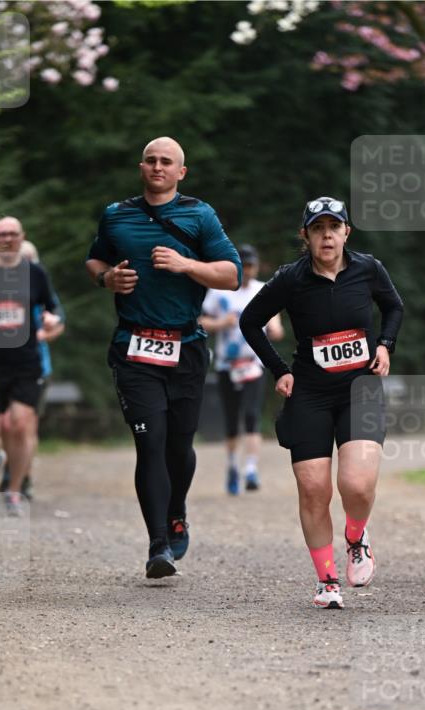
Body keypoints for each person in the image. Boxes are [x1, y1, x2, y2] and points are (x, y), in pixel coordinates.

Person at [86, 136, 242, 578]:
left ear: (180, 172)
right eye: (151, 160)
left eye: (166, 162)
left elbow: (231, 275)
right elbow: (95, 261)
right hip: (133, 348)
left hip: (185, 347)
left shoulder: (199, 215)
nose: (158, 167)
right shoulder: (117, 215)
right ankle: (159, 545)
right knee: (150, 442)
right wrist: (107, 279)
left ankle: (176, 511)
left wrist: (186, 265)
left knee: (178, 446)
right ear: (141, 167)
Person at [239, 197, 403, 609]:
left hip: (360, 390)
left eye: (334, 227)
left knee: (357, 485)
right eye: (318, 229)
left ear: (347, 232)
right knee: (314, 490)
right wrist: (279, 370)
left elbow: (394, 307)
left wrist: (385, 345)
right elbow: (249, 321)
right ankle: (327, 580)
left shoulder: (368, 269)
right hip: (309, 393)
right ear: (306, 235)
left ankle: (356, 536)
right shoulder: (290, 279)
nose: (326, 236)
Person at [0, 217, 63, 516]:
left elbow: (52, 307)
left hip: (25, 362)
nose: (7, 239)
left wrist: (51, 319)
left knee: (19, 425)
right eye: (1, 234)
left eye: (13, 234)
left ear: (22, 237)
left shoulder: (35, 273)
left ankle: (14, 490)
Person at [200, 244, 284, 494]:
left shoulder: (263, 289)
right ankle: (232, 467)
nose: (247, 271)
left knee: (251, 415)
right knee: (231, 419)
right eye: (243, 266)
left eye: (251, 266)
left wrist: (275, 329)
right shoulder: (218, 291)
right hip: (227, 364)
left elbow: (276, 323)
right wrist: (220, 323)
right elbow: (201, 321)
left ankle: (250, 469)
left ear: (256, 267)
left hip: (253, 363)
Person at [0, 239, 66, 499]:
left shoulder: (41, 289)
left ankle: (22, 477)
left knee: (25, 425)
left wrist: (44, 333)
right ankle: (12, 469)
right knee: (6, 424)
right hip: (2, 367)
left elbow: (59, 323)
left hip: (36, 367)